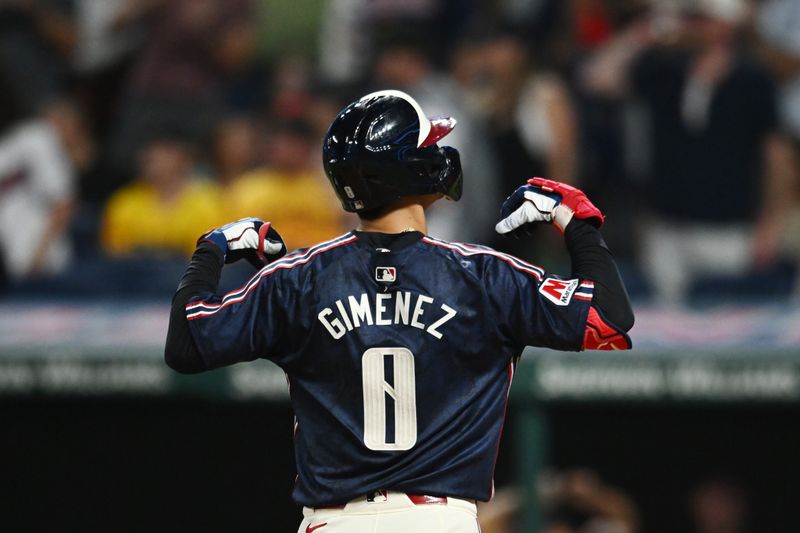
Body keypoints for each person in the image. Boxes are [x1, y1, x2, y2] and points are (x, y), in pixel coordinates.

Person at [164, 90, 634, 533]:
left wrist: (211, 251)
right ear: (406, 167)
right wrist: (578, 222)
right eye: (428, 144)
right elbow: (608, 320)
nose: (439, 151)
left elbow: (186, 346)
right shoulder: (483, 275)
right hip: (439, 521)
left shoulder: (297, 277)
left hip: (335, 521)